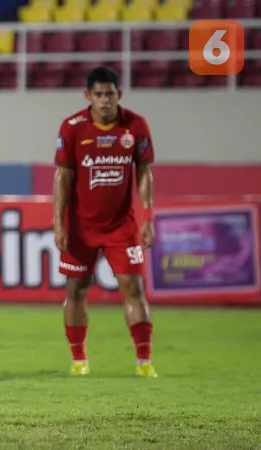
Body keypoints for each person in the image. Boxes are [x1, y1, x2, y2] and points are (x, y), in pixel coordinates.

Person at [53, 66, 157, 378]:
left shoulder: (135, 126)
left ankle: (144, 362)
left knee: (134, 288)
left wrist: (147, 217)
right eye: (98, 94)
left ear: (118, 95)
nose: (104, 100)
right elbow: (63, 177)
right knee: (76, 288)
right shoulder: (72, 127)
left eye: (109, 94)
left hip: (121, 227)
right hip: (80, 227)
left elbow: (144, 173)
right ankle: (79, 359)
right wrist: (59, 222)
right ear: (88, 96)